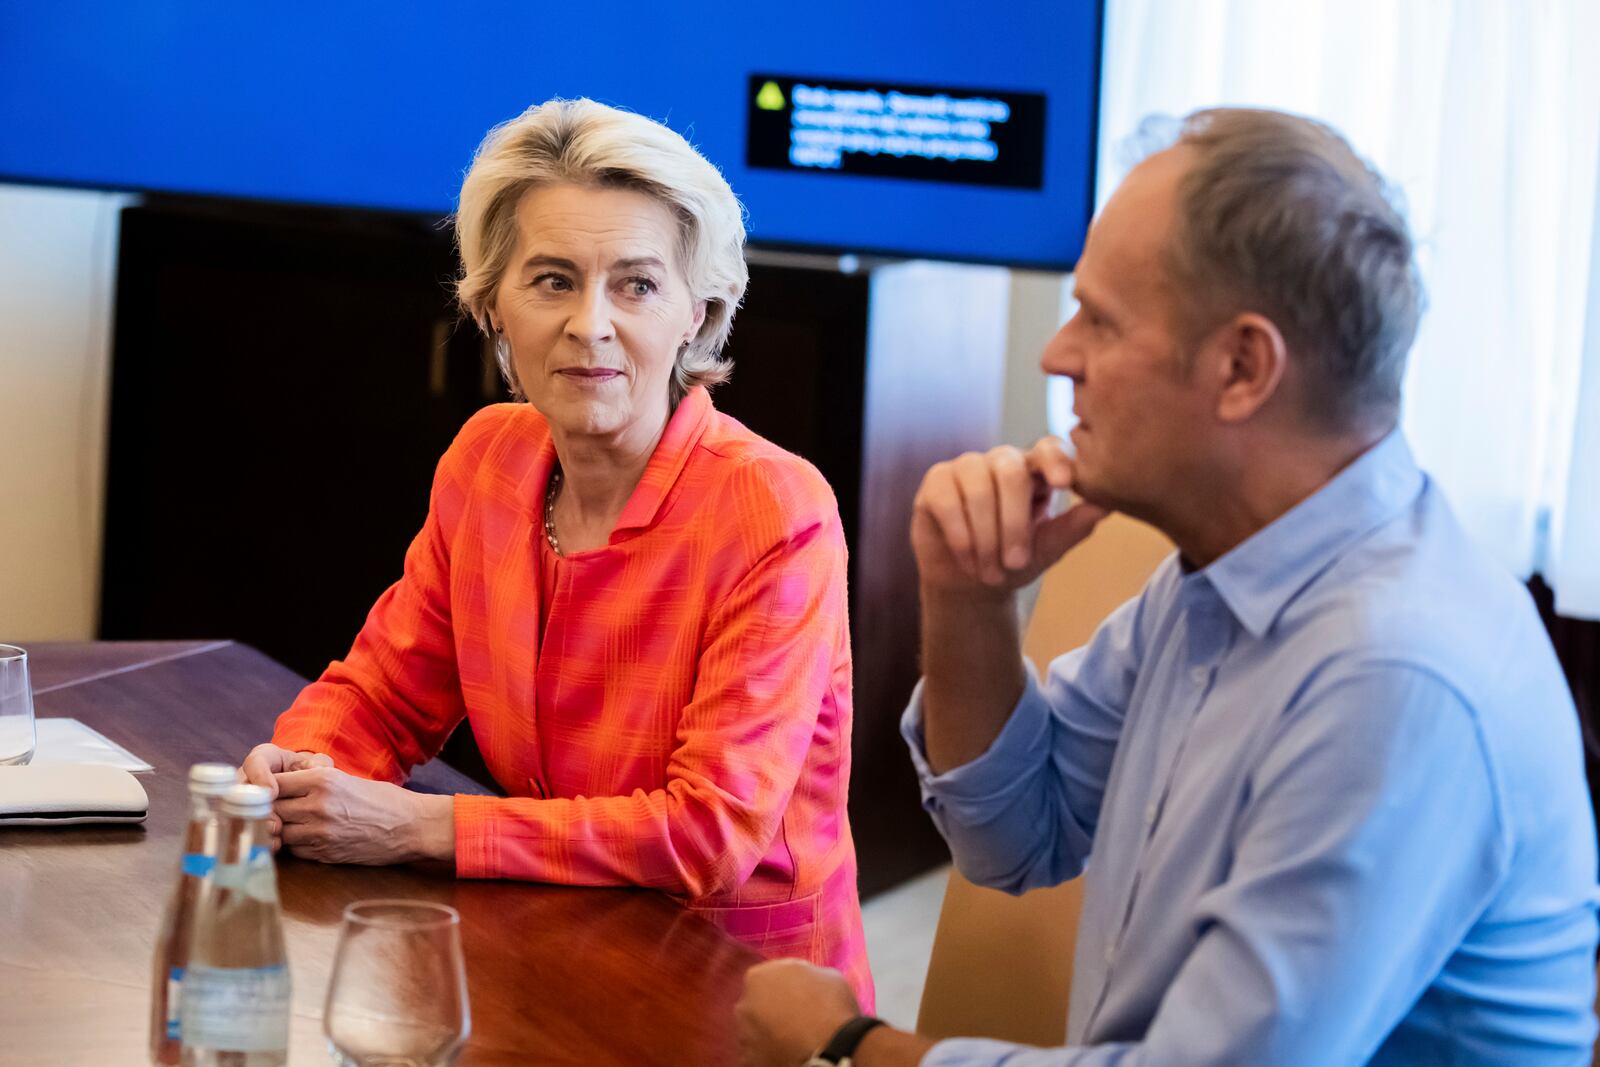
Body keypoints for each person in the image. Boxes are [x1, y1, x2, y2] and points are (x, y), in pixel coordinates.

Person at [735, 108, 1598, 1065]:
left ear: (1242, 368)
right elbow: (1016, 836)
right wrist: (969, 596)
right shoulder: (1223, 570)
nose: (1055, 356)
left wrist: (848, 1047)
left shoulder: (1395, 672)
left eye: (1098, 321)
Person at [241, 97, 872, 1007]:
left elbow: (709, 835)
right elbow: (382, 695)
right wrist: (298, 771)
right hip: (542, 945)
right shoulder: (487, 459)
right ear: (492, 303)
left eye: (637, 284)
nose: (591, 323)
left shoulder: (772, 508)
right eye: (551, 279)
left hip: (738, 999)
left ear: (698, 313)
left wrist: (423, 827)